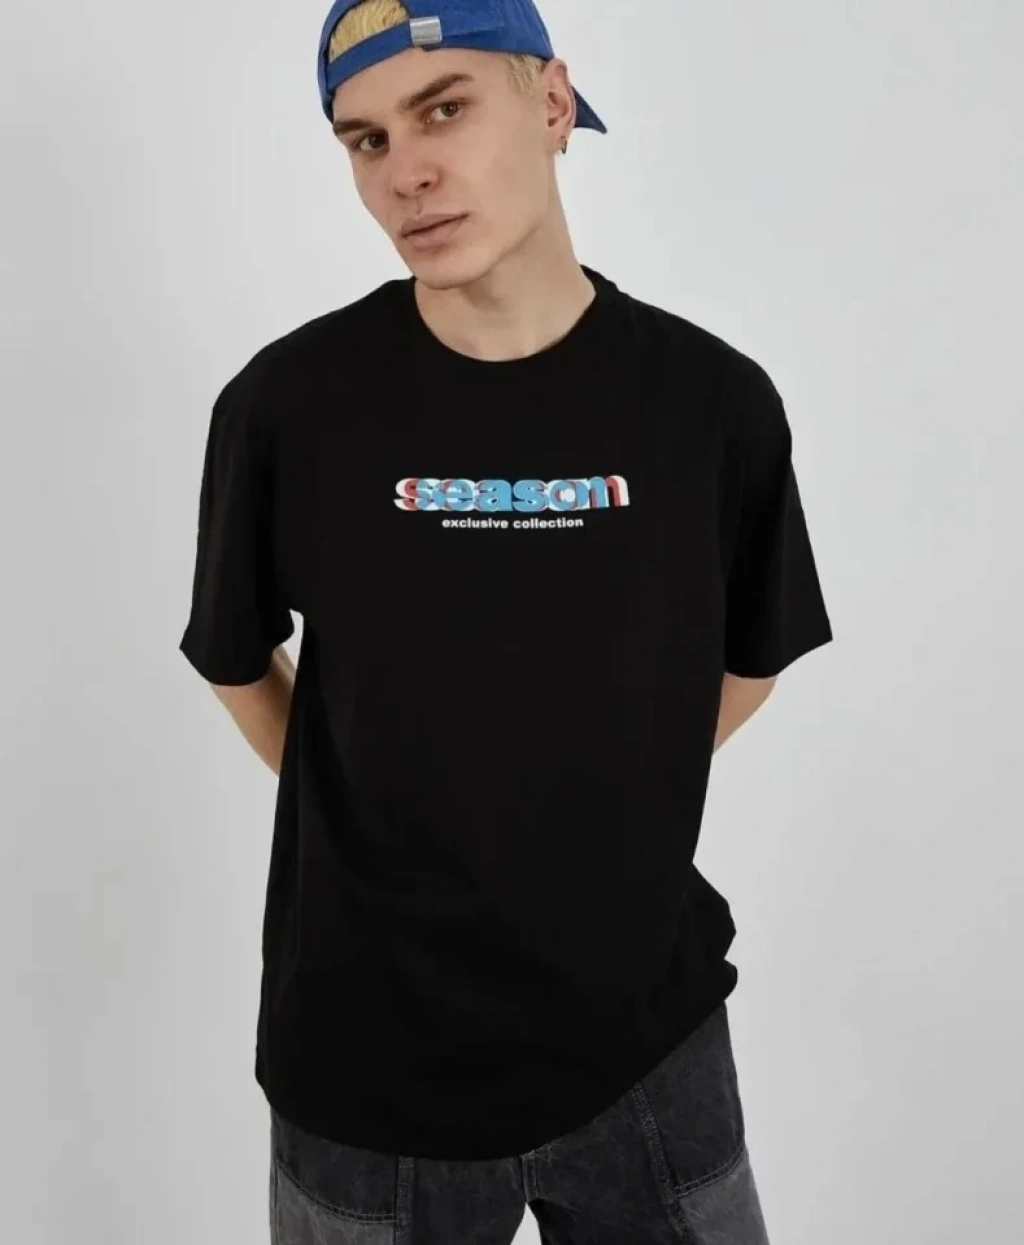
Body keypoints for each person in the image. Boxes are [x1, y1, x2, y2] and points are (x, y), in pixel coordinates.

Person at [178, 0, 834, 1240]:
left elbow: (752, 654)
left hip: (648, 1041)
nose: (406, 171)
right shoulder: (287, 405)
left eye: (444, 109)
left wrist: (589, 808)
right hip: (367, 1060)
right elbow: (233, 654)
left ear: (550, 104)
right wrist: (392, 810)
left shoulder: (711, 403)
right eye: (366, 140)